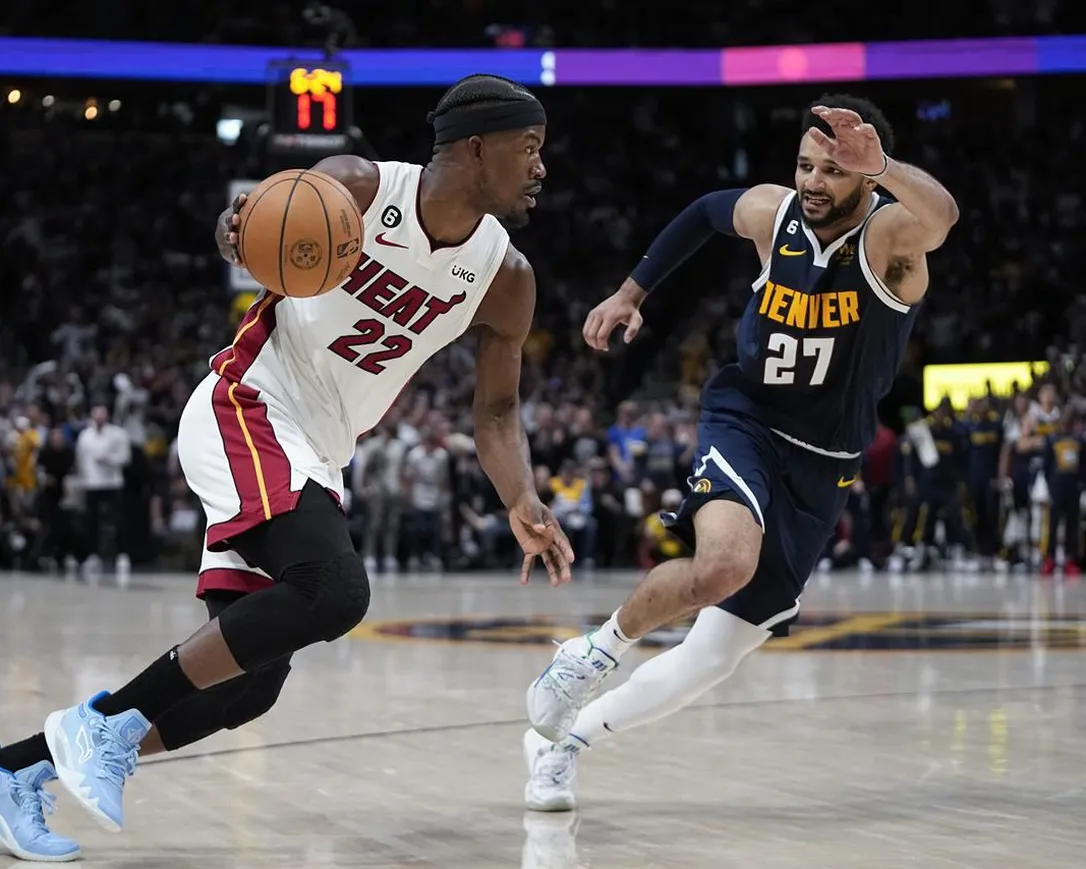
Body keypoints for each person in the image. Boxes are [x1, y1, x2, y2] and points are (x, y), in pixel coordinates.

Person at [0, 73, 573, 861]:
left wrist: (523, 497)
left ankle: (16, 769)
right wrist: (236, 231)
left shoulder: (506, 277)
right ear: (477, 147)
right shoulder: (358, 189)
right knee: (335, 589)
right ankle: (106, 727)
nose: (543, 167)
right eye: (530, 147)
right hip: (250, 404)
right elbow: (247, 229)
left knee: (249, 682)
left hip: (320, 449)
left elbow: (497, 413)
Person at [522, 94, 959, 811]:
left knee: (712, 656)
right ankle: (590, 654)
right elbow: (700, 214)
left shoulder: (890, 243)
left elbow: (942, 217)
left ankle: (561, 745)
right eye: (805, 165)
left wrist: (885, 167)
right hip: (747, 418)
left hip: (826, 459)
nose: (814, 181)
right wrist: (633, 292)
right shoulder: (773, 213)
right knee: (725, 562)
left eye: (836, 170)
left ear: (870, 178)